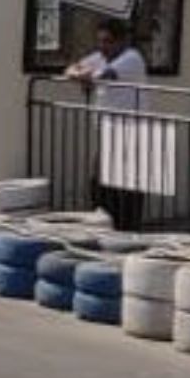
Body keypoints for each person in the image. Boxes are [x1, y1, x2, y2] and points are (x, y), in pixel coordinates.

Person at [64, 19, 151, 230]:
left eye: (109, 42)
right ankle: (106, 227)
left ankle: (128, 231)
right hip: (108, 131)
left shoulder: (132, 58)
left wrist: (86, 77)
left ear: (123, 41)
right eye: (101, 41)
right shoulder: (100, 57)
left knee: (126, 187)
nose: (104, 47)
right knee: (100, 185)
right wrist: (80, 75)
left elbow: (105, 75)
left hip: (131, 133)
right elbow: (69, 70)